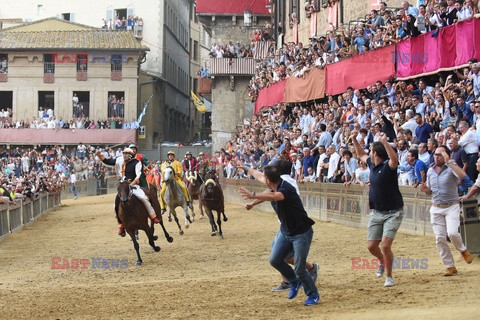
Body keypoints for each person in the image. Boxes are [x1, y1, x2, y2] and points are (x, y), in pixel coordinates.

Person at [239, 165, 320, 306]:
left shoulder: (285, 189)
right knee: (274, 259)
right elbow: (259, 177)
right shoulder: (274, 184)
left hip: (301, 233)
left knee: (300, 268)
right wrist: (247, 168)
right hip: (285, 230)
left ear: (269, 180)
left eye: (265, 178)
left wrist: (253, 195)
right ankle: (293, 281)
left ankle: (313, 295)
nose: (263, 179)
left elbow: (275, 196)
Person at [351, 130, 404, 287]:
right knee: (371, 246)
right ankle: (382, 261)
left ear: (376, 153)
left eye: (371, 150)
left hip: (393, 213)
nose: (369, 152)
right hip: (376, 212)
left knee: (385, 245)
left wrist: (385, 142)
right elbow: (360, 154)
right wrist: (354, 139)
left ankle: (389, 276)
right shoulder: (372, 165)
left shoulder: (388, 166)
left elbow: (394, 159)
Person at [419, 146, 473, 275]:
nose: (436, 156)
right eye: (435, 154)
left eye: (440, 154)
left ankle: (463, 250)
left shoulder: (451, 167)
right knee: (440, 238)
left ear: (446, 156)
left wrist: (450, 161)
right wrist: (425, 189)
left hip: (452, 205)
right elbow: (429, 192)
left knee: (453, 233)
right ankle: (450, 266)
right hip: (436, 207)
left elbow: (462, 175)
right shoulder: (431, 170)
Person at [97, 148, 161, 236]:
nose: (124, 155)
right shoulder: (119, 160)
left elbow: (138, 174)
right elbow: (108, 161)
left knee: (143, 197)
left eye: (126, 154)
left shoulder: (137, 162)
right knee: (115, 205)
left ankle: (153, 216)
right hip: (123, 186)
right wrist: (100, 156)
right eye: (124, 153)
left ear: (130, 155)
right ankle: (121, 225)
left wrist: (133, 183)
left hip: (134, 185)